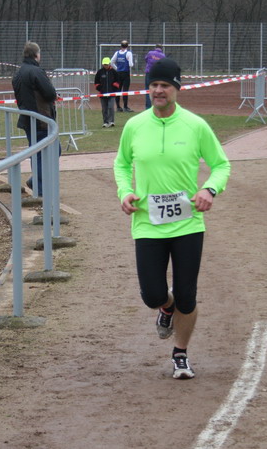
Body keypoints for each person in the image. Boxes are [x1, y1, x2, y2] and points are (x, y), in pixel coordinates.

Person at [113, 58, 231, 380]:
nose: (158, 90)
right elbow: (121, 164)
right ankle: (166, 307)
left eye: (165, 85)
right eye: (153, 85)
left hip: (188, 224)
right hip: (147, 223)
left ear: (177, 88)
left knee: (187, 296)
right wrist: (125, 191)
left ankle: (180, 354)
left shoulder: (195, 126)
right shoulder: (135, 126)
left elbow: (221, 165)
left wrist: (209, 189)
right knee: (152, 294)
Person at [12, 41, 59, 197]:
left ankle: (36, 182)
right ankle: (39, 187)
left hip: (27, 118)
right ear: (36, 54)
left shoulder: (18, 73)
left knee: (39, 152)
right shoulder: (36, 71)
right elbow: (50, 93)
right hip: (41, 119)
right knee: (46, 152)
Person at [94, 57, 120, 128]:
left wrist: (114, 89)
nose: (105, 66)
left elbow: (117, 82)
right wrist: (100, 88)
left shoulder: (114, 72)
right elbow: (96, 82)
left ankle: (111, 121)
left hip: (111, 93)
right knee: (104, 108)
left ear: (109, 64)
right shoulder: (100, 72)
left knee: (111, 107)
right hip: (102, 94)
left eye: (107, 64)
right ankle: (105, 122)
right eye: (104, 64)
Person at [110, 40, 134, 113]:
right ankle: (125, 107)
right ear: (127, 46)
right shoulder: (128, 53)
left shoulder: (117, 53)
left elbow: (111, 62)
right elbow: (131, 64)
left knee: (118, 90)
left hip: (118, 73)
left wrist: (117, 68)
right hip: (125, 73)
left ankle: (118, 107)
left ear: (121, 45)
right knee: (125, 90)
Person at [143, 44, 165, 110]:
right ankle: (158, 105)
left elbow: (146, 59)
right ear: (161, 48)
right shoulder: (163, 56)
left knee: (148, 90)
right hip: (157, 74)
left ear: (155, 47)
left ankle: (148, 107)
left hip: (149, 72)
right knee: (158, 90)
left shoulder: (150, 53)